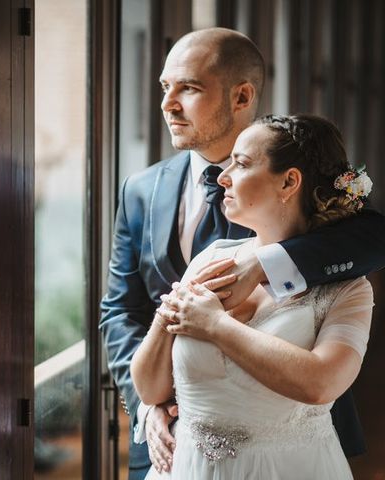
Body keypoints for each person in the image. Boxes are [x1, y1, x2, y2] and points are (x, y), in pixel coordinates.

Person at [99, 28, 385, 480]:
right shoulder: (140, 189)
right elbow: (120, 309)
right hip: (172, 445)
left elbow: (374, 239)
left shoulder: (306, 175)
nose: (167, 104)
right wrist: (148, 408)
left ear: (242, 96)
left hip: (286, 451)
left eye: (188, 88)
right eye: (164, 87)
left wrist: (264, 263)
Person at [131, 113, 374, 479]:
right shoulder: (212, 258)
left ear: (289, 182)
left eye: (241, 163)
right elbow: (151, 388)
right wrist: (167, 315)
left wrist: (214, 325)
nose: (223, 176)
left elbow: (321, 383)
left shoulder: (349, 289)